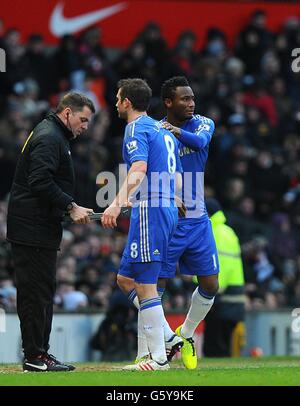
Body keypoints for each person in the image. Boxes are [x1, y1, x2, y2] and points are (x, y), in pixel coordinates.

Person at [117, 76, 219, 370]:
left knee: (211, 283)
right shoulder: (155, 131)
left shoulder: (201, 124)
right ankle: (146, 353)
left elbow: (200, 142)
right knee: (150, 282)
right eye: (184, 99)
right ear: (168, 102)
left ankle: (183, 335)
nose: (190, 104)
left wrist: (174, 130)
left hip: (197, 219)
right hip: (172, 215)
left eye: (192, 99)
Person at [6, 92, 95, 372]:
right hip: (31, 229)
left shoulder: (52, 135)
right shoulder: (49, 138)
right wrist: (70, 207)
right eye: (83, 119)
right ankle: (34, 356)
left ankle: (40, 353)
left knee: (42, 291)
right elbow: (39, 181)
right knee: (35, 293)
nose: (85, 126)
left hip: (37, 227)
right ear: (67, 113)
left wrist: (72, 207)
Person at [101, 78, 182, 371]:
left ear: (127, 102)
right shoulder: (162, 129)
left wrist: (116, 201)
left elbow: (139, 167)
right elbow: (174, 174)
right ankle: (170, 338)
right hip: (164, 208)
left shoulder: (135, 128)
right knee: (126, 279)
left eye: (118, 98)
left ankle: (159, 359)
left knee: (147, 285)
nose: (115, 103)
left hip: (152, 210)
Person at [202, 198, 246, 357]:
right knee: (224, 348)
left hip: (222, 300)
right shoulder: (228, 231)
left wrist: (211, 292)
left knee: (215, 348)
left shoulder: (214, 233)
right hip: (234, 299)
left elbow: (221, 267)